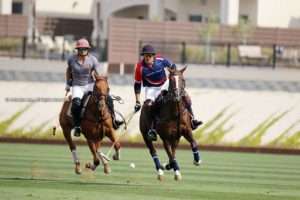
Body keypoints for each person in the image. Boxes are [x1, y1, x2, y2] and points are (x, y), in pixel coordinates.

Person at [133, 44, 202, 141]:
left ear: (153, 56)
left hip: (164, 84)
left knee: (184, 95)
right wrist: (137, 101)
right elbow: (137, 84)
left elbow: (173, 66)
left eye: (149, 56)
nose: (147, 58)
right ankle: (152, 129)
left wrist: (173, 74)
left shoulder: (161, 60)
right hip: (151, 88)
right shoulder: (139, 67)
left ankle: (193, 119)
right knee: (148, 105)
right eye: (145, 56)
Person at [65, 38, 123, 137]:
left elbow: (99, 73)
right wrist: (67, 84)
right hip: (77, 85)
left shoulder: (93, 59)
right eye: (80, 49)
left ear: (88, 49)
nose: (82, 50)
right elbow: (68, 71)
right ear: (77, 49)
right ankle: (78, 126)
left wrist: (102, 82)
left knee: (107, 98)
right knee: (76, 104)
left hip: (90, 84)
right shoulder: (71, 59)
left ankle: (114, 120)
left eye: (85, 49)